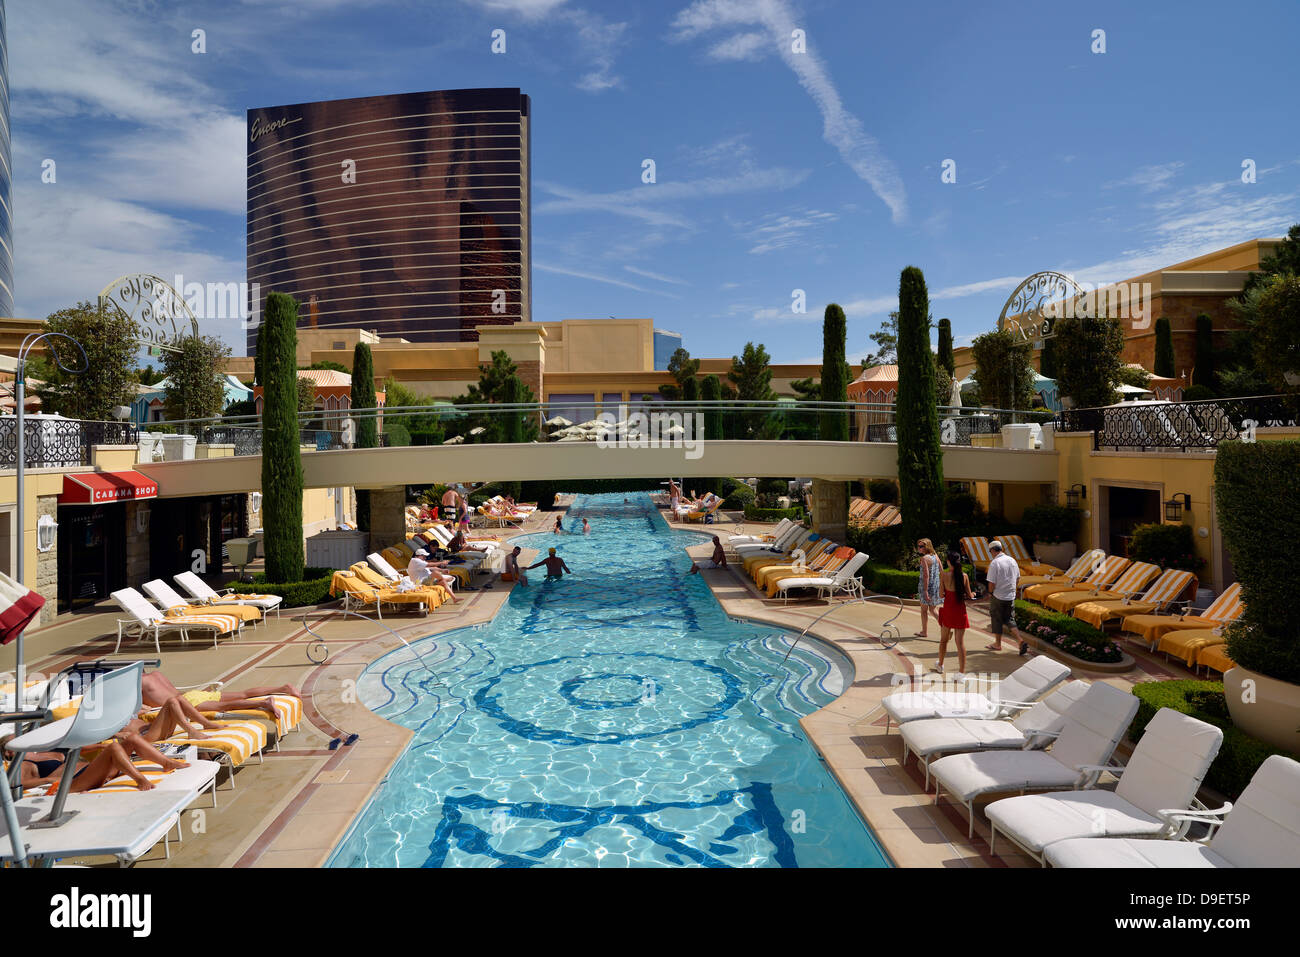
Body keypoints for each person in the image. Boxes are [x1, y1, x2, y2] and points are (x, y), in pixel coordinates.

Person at [141, 671, 299, 725]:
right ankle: (284, 688)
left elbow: (141, 710)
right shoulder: (155, 674)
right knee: (243, 693)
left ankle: (264, 702)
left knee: (226, 707)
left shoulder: (139, 684)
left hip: (187, 704)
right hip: (192, 694)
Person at [935, 550, 975, 674]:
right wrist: (973, 593)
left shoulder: (944, 575)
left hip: (948, 610)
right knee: (960, 643)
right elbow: (970, 595)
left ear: (948, 561)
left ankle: (940, 665)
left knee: (943, 640)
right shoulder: (964, 576)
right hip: (960, 611)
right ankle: (961, 673)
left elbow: (941, 594)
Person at [985, 540, 1027, 655]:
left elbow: (991, 583)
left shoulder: (995, 563)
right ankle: (1020, 640)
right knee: (1009, 619)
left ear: (993, 550)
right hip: (1010, 596)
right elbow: (1018, 578)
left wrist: (990, 593)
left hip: (998, 595)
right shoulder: (1012, 560)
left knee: (996, 619)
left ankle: (997, 644)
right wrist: (1012, 590)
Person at [915, 538, 941, 638]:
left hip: (925, 587)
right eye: (918, 546)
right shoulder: (935, 556)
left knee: (924, 610)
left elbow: (926, 575)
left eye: (921, 546)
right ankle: (945, 628)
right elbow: (941, 570)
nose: (919, 548)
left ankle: (924, 632)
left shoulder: (924, 559)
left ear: (927, 547)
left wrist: (925, 591)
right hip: (935, 586)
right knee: (933, 610)